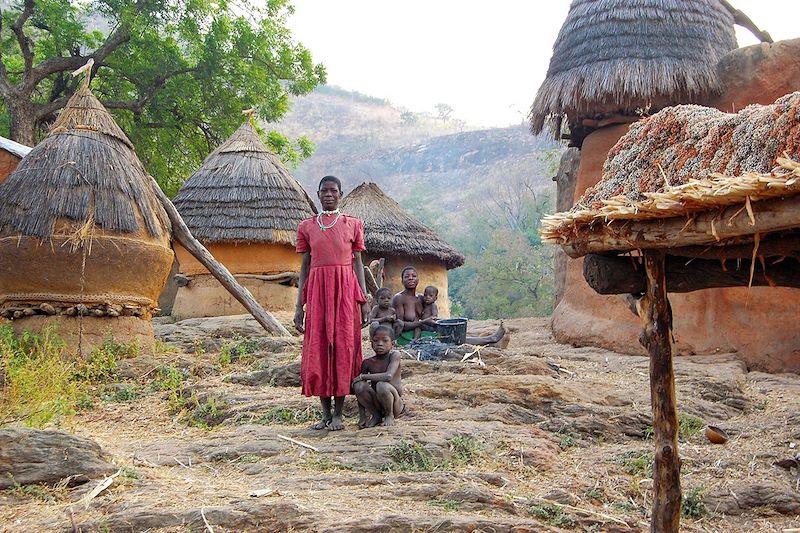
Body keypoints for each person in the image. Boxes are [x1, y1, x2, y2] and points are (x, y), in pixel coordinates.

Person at [294, 175, 370, 431]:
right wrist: (299, 305)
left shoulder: (353, 225)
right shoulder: (306, 227)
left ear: (340, 194)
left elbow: (358, 263)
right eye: (324, 191)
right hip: (317, 292)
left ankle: (339, 414)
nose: (329, 194)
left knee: (342, 347)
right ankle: (325, 413)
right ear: (317, 194)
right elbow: (304, 267)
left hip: (345, 292)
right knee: (318, 349)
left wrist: (364, 299)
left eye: (333, 191)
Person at [352, 325, 404, 428]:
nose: (380, 344)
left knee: (382, 385)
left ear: (392, 344)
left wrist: (364, 377)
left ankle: (389, 415)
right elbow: (360, 390)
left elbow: (388, 376)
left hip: (395, 404)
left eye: (385, 341)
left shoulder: (394, 356)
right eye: (376, 341)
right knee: (358, 386)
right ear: (371, 343)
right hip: (377, 403)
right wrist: (362, 416)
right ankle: (376, 416)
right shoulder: (367, 362)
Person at [392, 266, 436, 345]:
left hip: (424, 334)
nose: (411, 278)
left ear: (418, 280)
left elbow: (432, 313)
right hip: (405, 336)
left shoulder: (422, 298)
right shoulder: (399, 298)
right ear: (402, 281)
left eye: (414, 276)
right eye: (407, 276)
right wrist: (423, 322)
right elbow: (400, 324)